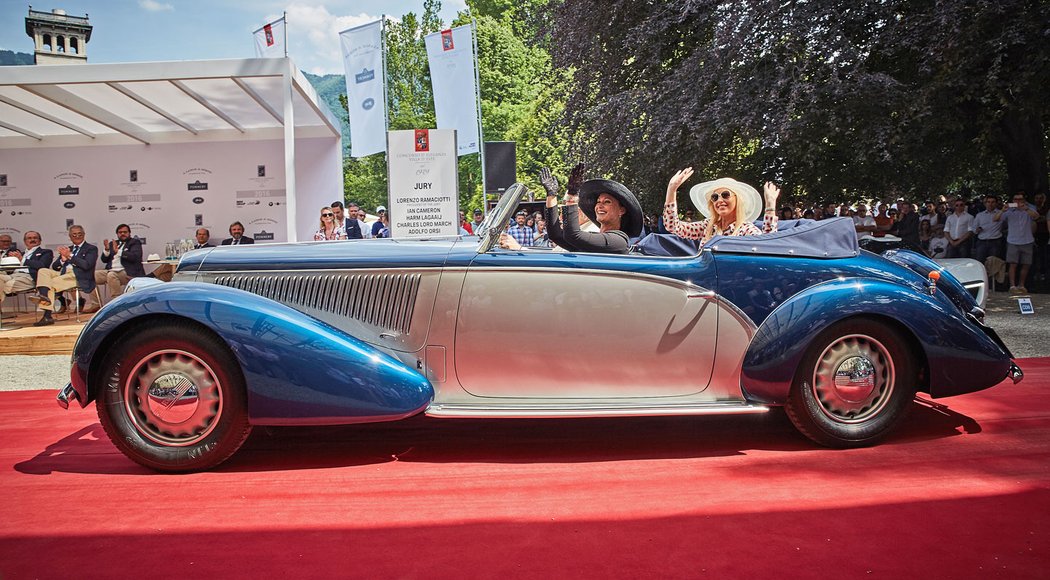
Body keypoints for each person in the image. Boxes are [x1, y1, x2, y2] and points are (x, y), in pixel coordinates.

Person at [502, 164, 641, 255]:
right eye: (598, 202)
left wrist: (573, 196)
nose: (599, 205)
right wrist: (551, 195)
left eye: (607, 202)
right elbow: (556, 234)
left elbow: (573, 235)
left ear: (621, 210)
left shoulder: (618, 241)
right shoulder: (595, 240)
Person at [662, 167, 779, 247]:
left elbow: (767, 245)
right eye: (715, 197)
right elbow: (673, 226)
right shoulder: (708, 226)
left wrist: (770, 207)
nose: (720, 200)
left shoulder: (745, 229)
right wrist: (671, 189)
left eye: (725, 195)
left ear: (737, 199)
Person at [31, 224, 99, 325]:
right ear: (70, 237)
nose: (77, 236)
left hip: (78, 276)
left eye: (79, 234)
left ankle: (47, 315)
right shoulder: (68, 249)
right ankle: (44, 295)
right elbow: (55, 267)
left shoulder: (91, 248)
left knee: (51, 283)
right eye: (74, 235)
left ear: (84, 235)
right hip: (63, 274)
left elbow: (86, 265)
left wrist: (70, 256)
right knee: (43, 271)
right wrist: (62, 260)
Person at [996, 192, 1040, 293]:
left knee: (1026, 264)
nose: (1018, 201)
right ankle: (1012, 286)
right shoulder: (1009, 210)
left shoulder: (1030, 208)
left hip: (1027, 240)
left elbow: (1036, 217)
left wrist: (1026, 209)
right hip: (1013, 241)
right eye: (1016, 199)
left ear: (1024, 200)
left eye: (1020, 199)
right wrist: (1002, 210)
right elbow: (996, 219)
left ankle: (1021, 285)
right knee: (1013, 264)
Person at [95, 223, 145, 299]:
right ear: (117, 234)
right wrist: (107, 250)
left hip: (126, 272)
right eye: (120, 232)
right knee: (90, 276)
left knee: (111, 275)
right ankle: (95, 304)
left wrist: (118, 251)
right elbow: (104, 260)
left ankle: (117, 301)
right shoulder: (113, 243)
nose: (122, 234)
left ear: (129, 233)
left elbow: (135, 257)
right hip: (110, 270)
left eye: (125, 232)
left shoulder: (134, 243)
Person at [970, 195, 1005, 264]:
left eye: (993, 202)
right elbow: (973, 228)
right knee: (979, 263)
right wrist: (977, 230)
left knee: (994, 263)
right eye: (988, 202)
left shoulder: (1001, 214)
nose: (990, 204)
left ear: (996, 203)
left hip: (995, 242)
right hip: (982, 242)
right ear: (985, 203)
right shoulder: (980, 215)